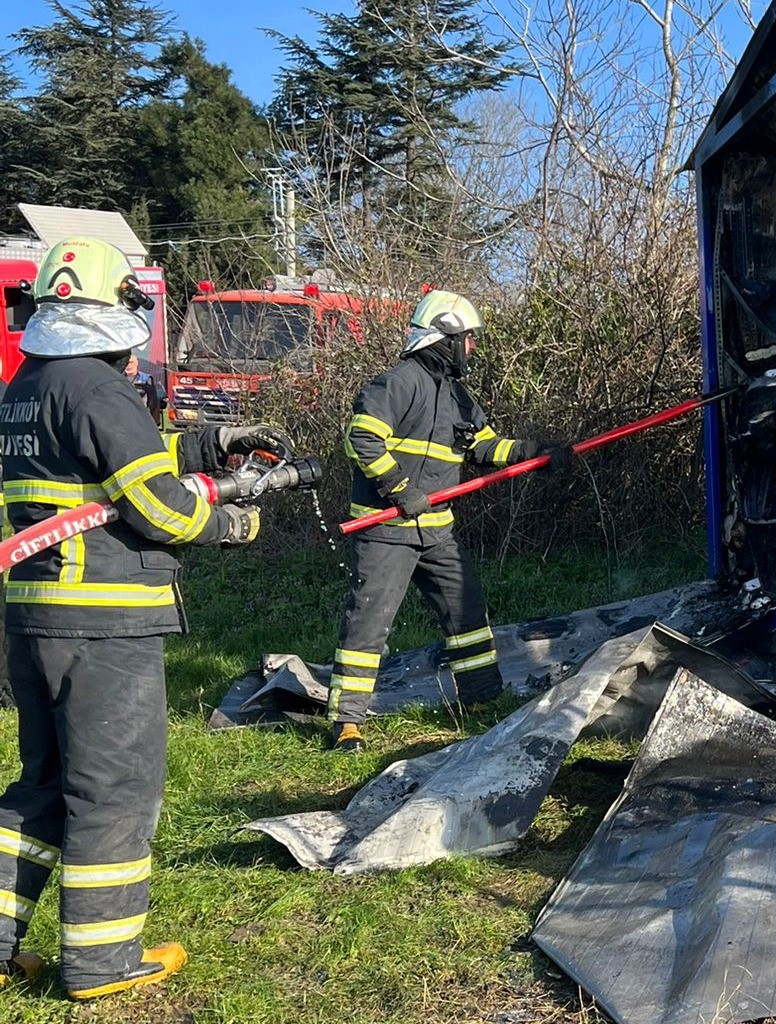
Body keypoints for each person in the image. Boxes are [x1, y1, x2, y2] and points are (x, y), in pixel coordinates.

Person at [0, 237, 289, 999]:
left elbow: (104, 465)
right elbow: (158, 503)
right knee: (114, 793)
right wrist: (232, 523)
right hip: (105, 624)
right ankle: (101, 963)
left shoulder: (26, 386)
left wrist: (208, 441)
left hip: (33, 618)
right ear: (112, 308)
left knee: (41, 787)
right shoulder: (100, 390)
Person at [327, 289, 568, 752]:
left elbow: (484, 446)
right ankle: (348, 723)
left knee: (466, 612)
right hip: (385, 530)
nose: (472, 349)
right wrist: (401, 490)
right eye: (469, 339)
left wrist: (531, 452)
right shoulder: (399, 383)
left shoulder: (459, 397)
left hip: (436, 529)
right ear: (447, 335)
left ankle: (480, 700)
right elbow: (361, 439)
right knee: (368, 624)